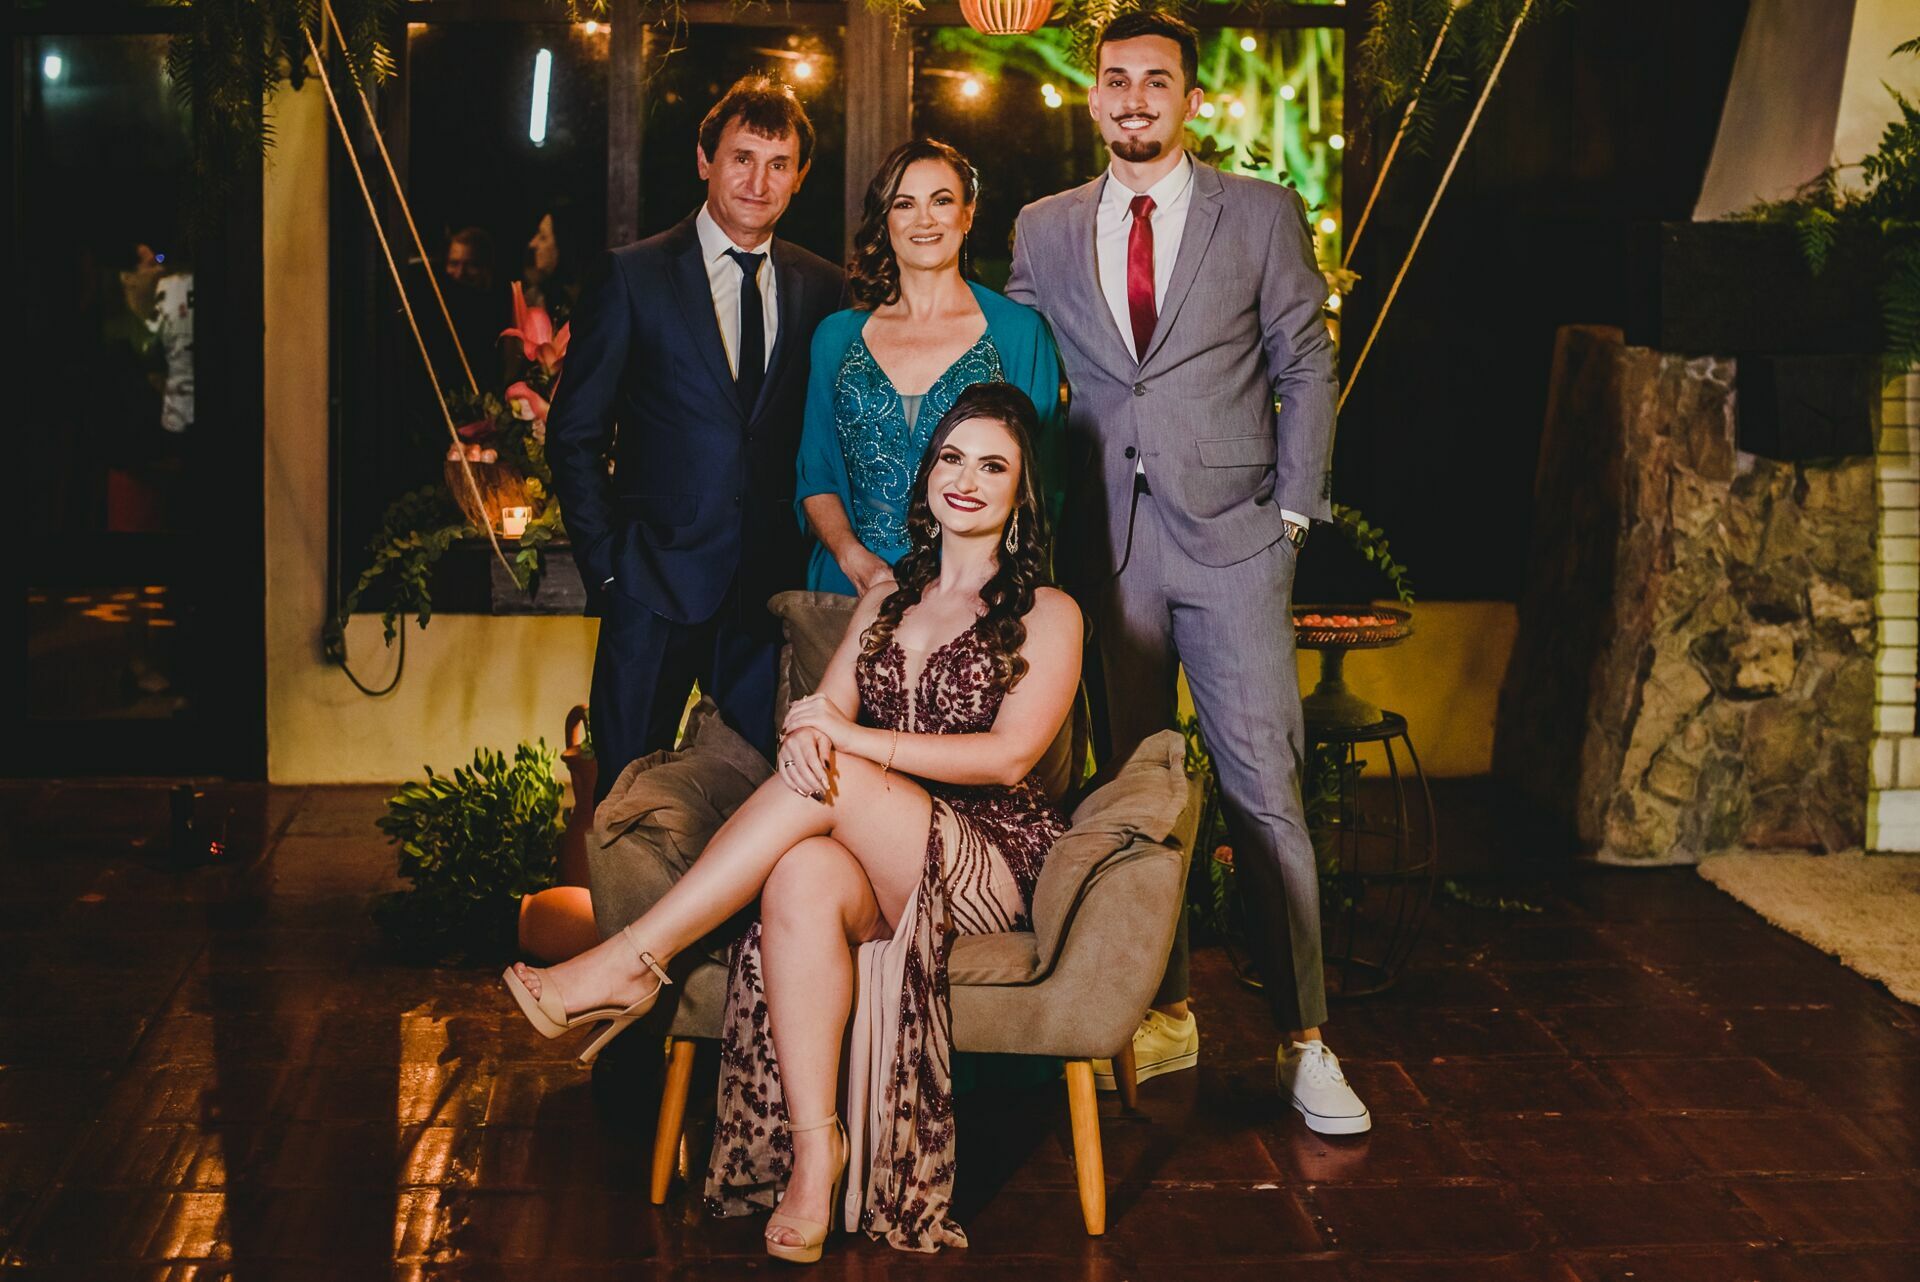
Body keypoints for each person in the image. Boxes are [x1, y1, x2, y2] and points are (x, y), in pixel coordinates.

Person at [504, 383, 1081, 1260]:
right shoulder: (885, 600)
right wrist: (814, 735)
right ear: (929, 474)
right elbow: (819, 717)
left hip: (983, 863)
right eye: (952, 458)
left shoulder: (1049, 611)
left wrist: (842, 741)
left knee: (833, 773)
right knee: (800, 877)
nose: (966, 480)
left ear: (1021, 490)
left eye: (992, 466)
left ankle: (633, 959)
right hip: (874, 848)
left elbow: (1006, 758)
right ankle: (816, 1157)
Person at [1006, 10, 1369, 1135]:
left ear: (1189, 100)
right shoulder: (1043, 228)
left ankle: (1304, 1040)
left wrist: (1292, 514)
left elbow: (1305, 362)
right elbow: (1018, 376)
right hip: (1104, 551)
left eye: (1155, 81)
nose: (1133, 98)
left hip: (1235, 543)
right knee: (1132, 792)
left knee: (1265, 793)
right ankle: (1161, 1011)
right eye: (1115, 80)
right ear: (1093, 96)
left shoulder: (1257, 212)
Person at [544, 76, 844, 792]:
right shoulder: (633, 275)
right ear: (705, 160)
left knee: (761, 801)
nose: (758, 182)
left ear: (799, 176)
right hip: (651, 585)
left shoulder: (823, 287)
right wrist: (608, 569)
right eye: (742, 158)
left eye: (778, 164)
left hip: (766, 599)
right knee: (626, 797)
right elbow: (574, 432)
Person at [796, 139, 1062, 597]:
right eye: (905, 204)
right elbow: (814, 475)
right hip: (850, 587)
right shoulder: (834, 339)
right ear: (885, 218)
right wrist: (853, 559)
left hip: (979, 595)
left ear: (968, 213)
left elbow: (1043, 485)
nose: (924, 219)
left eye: (941, 201)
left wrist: (985, 589)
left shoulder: (1019, 333)